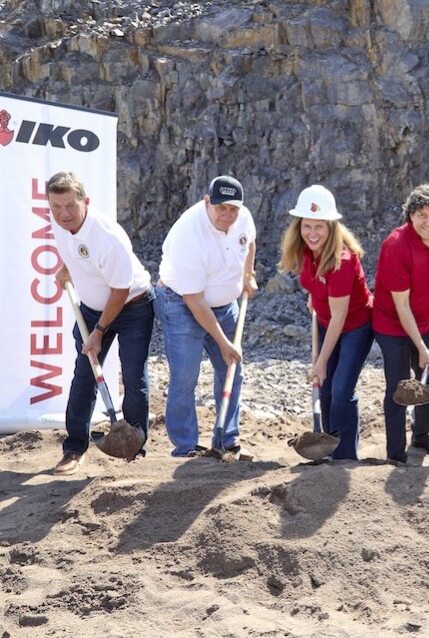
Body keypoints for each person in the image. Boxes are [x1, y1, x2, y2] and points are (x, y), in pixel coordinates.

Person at [47, 171, 155, 475]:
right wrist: (66, 268)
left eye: (71, 206)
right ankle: (74, 448)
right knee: (84, 375)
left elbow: (120, 290)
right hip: (93, 309)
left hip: (133, 306)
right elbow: (75, 250)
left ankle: (134, 447)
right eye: (56, 207)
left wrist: (98, 332)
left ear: (86, 202)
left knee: (133, 377)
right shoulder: (61, 225)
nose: (64, 214)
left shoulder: (108, 238)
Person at [155, 175, 258, 458]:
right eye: (221, 207)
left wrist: (248, 275)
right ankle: (185, 445)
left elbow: (249, 242)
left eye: (233, 208)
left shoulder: (243, 217)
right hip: (180, 302)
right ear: (207, 202)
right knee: (185, 374)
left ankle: (227, 439)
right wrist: (223, 342)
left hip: (225, 304)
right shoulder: (188, 236)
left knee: (232, 370)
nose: (227, 214)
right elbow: (194, 300)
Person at [279, 185, 374, 460]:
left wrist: (320, 361)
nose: (312, 233)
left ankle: (346, 455)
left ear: (331, 227)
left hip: (355, 327)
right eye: (307, 226)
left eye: (319, 226)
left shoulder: (342, 261)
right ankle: (329, 446)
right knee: (327, 389)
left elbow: (339, 317)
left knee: (341, 389)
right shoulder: (306, 250)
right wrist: (314, 295)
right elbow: (315, 281)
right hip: (325, 320)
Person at [373, 184, 429, 463]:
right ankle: (396, 454)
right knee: (400, 388)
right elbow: (401, 306)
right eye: (422, 215)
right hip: (392, 324)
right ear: (410, 215)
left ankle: (422, 435)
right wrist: (421, 348)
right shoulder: (396, 246)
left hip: (426, 319)